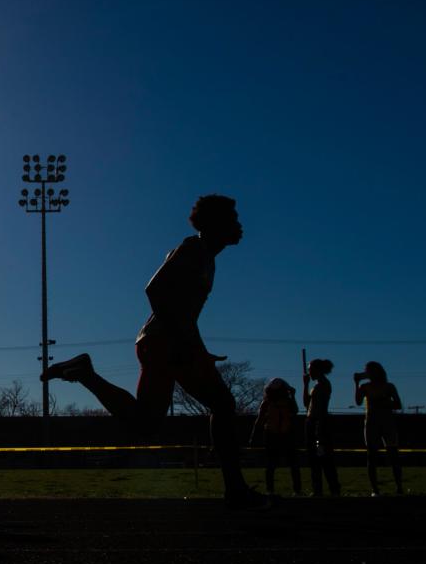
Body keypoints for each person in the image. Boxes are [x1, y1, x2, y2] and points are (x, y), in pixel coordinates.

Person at [42, 195, 268, 509]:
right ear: (218, 224)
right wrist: (183, 342)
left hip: (166, 343)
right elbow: (155, 289)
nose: (241, 226)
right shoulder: (193, 249)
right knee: (223, 404)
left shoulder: (206, 256)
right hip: (164, 344)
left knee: (145, 424)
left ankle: (85, 374)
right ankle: (236, 490)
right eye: (234, 220)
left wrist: (198, 348)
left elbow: (184, 312)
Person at [354, 361, 404, 496]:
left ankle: (399, 487)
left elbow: (398, 404)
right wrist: (356, 384)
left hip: (387, 423)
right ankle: (375, 489)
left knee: (393, 455)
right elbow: (358, 402)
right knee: (371, 456)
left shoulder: (389, 386)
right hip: (371, 424)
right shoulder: (364, 387)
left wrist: (384, 402)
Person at [249, 378, 301, 496]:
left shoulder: (273, 402)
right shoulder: (273, 402)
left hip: (278, 434)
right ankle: (292, 490)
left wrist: (253, 436)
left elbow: (260, 420)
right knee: (282, 464)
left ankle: (273, 490)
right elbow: (260, 419)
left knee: (274, 465)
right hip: (278, 434)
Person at [302, 358, 341, 496]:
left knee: (322, 457)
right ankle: (319, 489)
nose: (309, 372)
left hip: (319, 424)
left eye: (311, 369)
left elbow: (320, 408)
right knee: (315, 458)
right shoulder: (316, 386)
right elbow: (306, 404)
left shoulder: (323, 385)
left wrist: (318, 427)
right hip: (313, 422)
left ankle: (332, 488)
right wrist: (305, 385)